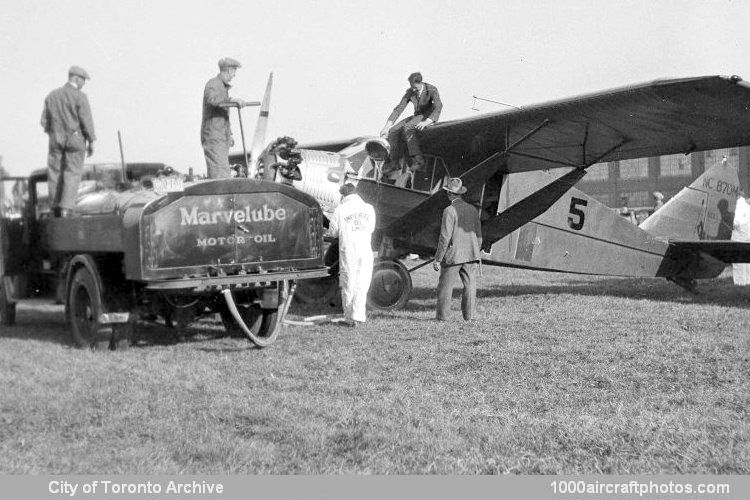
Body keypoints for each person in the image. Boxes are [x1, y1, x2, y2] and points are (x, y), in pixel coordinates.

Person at [40, 66, 96, 217]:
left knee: (54, 172)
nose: (83, 84)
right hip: (75, 139)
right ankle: (66, 209)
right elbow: (86, 120)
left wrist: (54, 133)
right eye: (83, 81)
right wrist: (91, 141)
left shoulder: (51, 96)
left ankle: (55, 208)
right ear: (76, 78)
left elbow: (44, 122)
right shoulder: (80, 97)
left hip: (55, 139)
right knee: (72, 172)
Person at [433, 177, 482, 321]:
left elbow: (444, 237)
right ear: (461, 193)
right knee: (470, 285)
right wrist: (475, 251)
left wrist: (438, 258)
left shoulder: (449, 210)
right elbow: (479, 235)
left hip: (453, 255)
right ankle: (469, 316)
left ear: (449, 194)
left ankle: (442, 317)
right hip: (471, 254)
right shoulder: (473, 210)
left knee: (445, 286)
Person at [328, 183, 376, 327]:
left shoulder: (340, 209)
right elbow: (371, 228)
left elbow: (333, 232)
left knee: (348, 282)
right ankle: (359, 315)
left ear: (343, 195)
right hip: (365, 249)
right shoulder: (369, 208)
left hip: (349, 250)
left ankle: (349, 317)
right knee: (362, 283)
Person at [380, 72, 442, 173]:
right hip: (417, 115)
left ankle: (418, 160)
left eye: (414, 87)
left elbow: (438, 106)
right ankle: (394, 162)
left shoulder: (431, 89)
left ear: (420, 82)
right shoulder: (411, 91)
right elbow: (399, 108)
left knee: (408, 127)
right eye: (411, 86)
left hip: (427, 116)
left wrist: (427, 121)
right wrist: (386, 127)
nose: (412, 89)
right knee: (393, 131)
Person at [201, 57, 246, 179]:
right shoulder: (213, 84)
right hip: (214, 136)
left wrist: (229, 134)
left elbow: (223, 115)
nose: (234, 75)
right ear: (229, 70)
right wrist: (232, 100)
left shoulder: (221, 87)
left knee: (223, 170)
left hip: (221, 136)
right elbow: (212, 100)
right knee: (220, 174)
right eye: (234, 71)